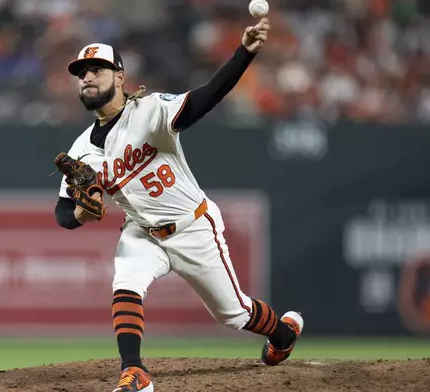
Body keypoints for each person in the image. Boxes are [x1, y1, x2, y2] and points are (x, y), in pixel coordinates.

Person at [54, 18, 303, 392]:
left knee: (234, 313)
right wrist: (79, 213)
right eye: (81, 73)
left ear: (120, 77)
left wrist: (245, 52)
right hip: (142, 232)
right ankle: (134, 371)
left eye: (97, 70)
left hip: (192, 226)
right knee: (126, 282)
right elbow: (62, 214)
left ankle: (283, 335)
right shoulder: (81, 150)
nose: (87, 77)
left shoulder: (151, 111)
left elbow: (206, 97)